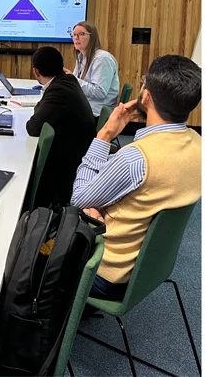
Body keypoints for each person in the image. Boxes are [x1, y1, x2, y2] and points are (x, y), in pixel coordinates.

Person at [71, 55, 201, 301]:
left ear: (146, 96)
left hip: (104, 272)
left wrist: (104, 136)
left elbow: (78, 198)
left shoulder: (136, 159)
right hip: (148, 270)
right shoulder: (197, 144)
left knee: (29, 241)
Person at [24, 47, 96, 208]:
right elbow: (40, 109)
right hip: (80, 150)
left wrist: (40, 106)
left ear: (36, 71)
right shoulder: (67, 80)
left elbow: (33, 127)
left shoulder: (58, 90)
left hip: (70, 163)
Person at [66, 21, 120, 117]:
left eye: (81, 34)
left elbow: (100, 92)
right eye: (74, 35)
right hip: (85, 106)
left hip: (96, 113)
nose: (76, 38)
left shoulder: (102, 59)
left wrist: (72, 79)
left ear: (92, 37)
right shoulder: (81, 56)